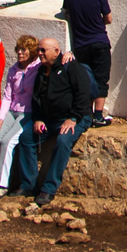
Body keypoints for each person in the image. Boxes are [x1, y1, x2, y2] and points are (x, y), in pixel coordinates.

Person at [16, 37, 94, 206]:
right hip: (49, 119)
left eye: (44, 50)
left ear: (56, 52)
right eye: (39, 50)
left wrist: (73, 118)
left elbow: (83, 94)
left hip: (75, 117)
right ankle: (28, 185)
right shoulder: (41, 71)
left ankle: (49, 189)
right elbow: (36, 98)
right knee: (26, 139)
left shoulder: (70, 67)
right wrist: (37, 119)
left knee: (63, 141)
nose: (40, 53)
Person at [0, 34, 41, 197]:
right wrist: (0, 117)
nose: (20, 53)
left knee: (8, 142)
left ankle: (1, 183)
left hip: (26, 112)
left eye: (24, 50)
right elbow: (7, 95)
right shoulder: (14, 69)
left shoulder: (37, 69)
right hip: (12, 110)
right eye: (18, 49)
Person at [62, 0, 113, 127]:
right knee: (101, 79)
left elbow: (66, 13)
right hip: (99, 42)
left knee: (85, 79)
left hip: (81, 45)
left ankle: (86, 114)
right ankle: (98, 116)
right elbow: (109, 19)